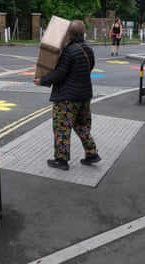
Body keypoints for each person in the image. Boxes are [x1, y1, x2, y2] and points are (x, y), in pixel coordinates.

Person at [33, 20, 101, 171]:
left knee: (62, 128)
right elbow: (90, 67)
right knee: (82, 126)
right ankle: (92, 153)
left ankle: (61, 160)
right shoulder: (88, 49)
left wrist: (42, 80)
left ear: (69, 34)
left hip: (67, 98)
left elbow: (59, 75)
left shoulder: (69, 51)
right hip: (84, 95)